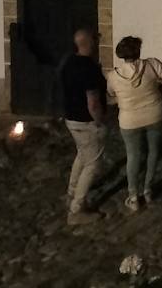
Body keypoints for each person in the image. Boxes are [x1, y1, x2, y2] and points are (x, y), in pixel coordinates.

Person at [106, 35, 162, 211]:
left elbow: (111, 94)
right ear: (138, 50)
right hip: (155, 115)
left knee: (133, 156)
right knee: (153, 152)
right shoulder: (151, 65)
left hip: (129, 119)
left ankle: (133, 196)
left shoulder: (113, 76)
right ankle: (147, 190)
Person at [60, 26, 109, 225]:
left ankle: (71, 193)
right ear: (90, 43)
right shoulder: (89, 68)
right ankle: (76, 209)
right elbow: (93, 102)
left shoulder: (68, 62)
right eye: (95, 40)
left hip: (71, 119)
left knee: (82, 154)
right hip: (87, 122)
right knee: (92, 164)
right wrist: (100, 121)